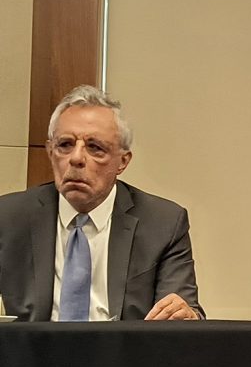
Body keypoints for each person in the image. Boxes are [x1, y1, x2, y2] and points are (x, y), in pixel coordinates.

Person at [0, 85, 203, 321]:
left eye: (95, 147)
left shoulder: (163, 223)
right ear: (50, 152)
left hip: (124, 345)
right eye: (65, 145)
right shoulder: (8, 217)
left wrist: (186, 315)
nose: (76, 158)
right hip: (33, 345)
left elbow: (184, 315)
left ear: (122, 162)